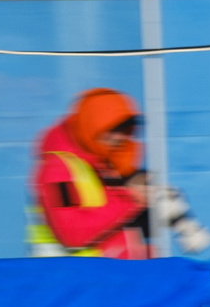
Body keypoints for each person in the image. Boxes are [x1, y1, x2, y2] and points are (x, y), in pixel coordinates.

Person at [29, 89, 150, 258]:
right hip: (68, 278)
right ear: (93, 124)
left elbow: (113, 227)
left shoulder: (100, 166)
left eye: (125, 129)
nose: (120, 137)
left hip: (100, 276)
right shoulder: (57, 170)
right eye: (112, 128)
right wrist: (130, 198)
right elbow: (70, 234)